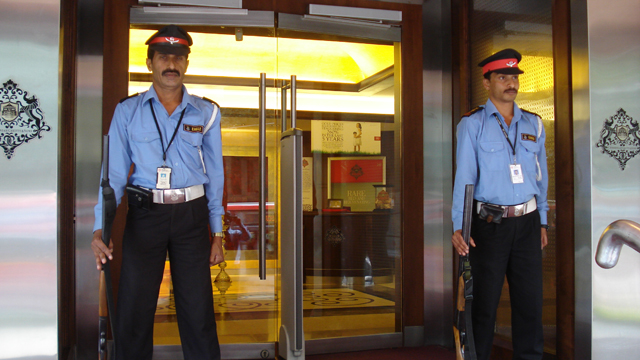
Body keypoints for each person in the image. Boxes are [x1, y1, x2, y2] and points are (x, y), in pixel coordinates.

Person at [90, 25, 224, 360]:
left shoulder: (206, 112)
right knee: (135, 307)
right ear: (150, 62)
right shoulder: (128, 111)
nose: (171, 64)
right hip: (145, 215)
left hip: (191, 217)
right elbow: (115, 175)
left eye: (178, 57)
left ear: (187, 64)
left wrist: (217, 231)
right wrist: (100, 228)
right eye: (163, 56)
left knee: (197, 309)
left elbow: (216, 173)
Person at [451, 48, 549, 360]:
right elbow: (465, 179)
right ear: (487, 82)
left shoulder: (534, 124)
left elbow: (540, 177)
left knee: (530, 304)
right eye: (502, 77)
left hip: (528, 223)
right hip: (489, 225)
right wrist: (460, 227)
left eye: (514, 77)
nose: (510, 83)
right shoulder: (473, 124)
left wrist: (543, 221)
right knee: (484, 305)